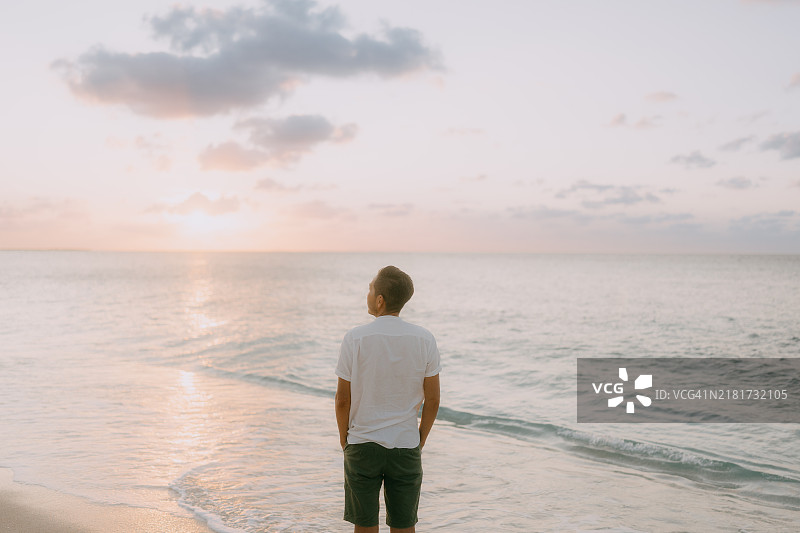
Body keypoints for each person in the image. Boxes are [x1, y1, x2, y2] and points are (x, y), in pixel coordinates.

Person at [335, 266, 441, 533]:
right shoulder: (424, 339)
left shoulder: (355, 338)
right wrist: (420, 439)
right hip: (405, 446)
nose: (368, 294)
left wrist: (345, 439)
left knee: (365, 526)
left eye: (370, 289)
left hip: (363, 445)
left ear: (380, 299)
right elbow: (434, 399)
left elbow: (342, 400)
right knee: (405, 528)